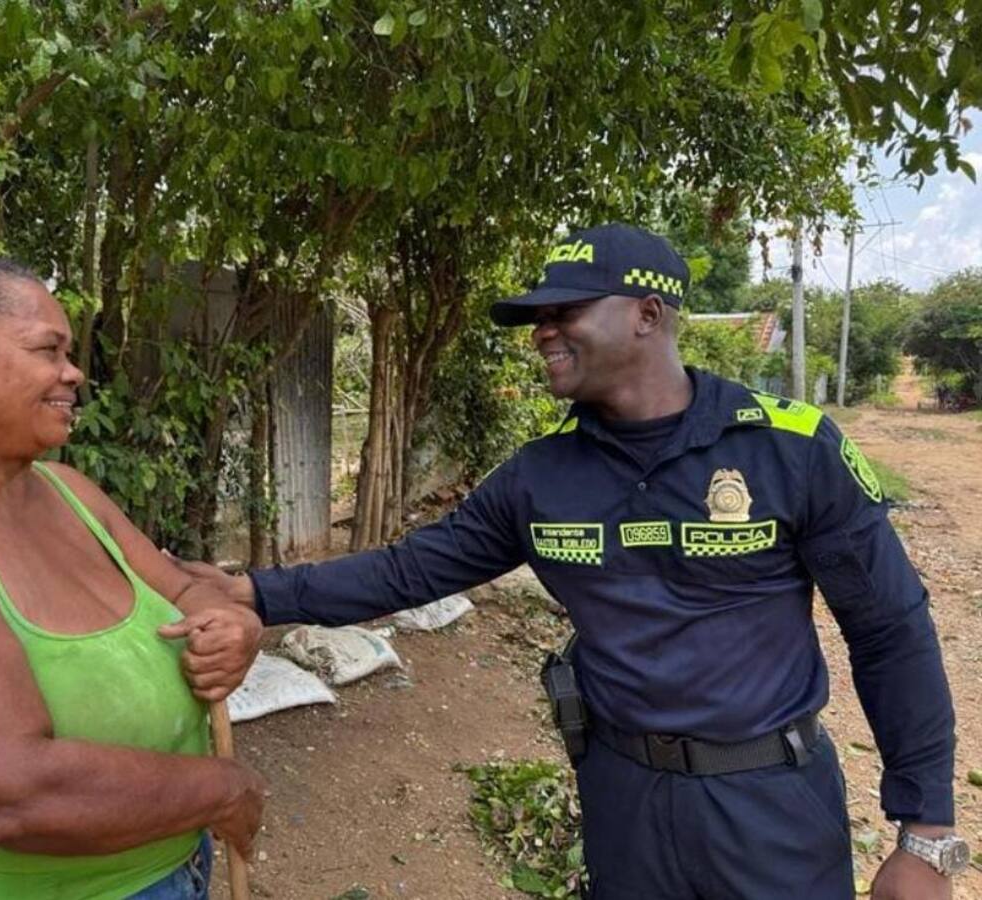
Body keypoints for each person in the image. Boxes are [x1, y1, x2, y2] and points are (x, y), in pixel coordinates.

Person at [178, 224, 965, 899]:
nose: (542, 333)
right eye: (537, 317)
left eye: (566, 313)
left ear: (647, 316)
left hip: (770, 802)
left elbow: (890, 630)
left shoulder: (790, 449)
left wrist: (924, 832)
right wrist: (253, 589)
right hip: (623, 800)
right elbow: (409, 571)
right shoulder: (539, 478)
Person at [0, 225, 267, 900]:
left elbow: (185, 587)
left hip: (170, 873)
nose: (74, 372)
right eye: (48, 350)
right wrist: (218, 789)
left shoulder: (69, 492)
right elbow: (4, 794)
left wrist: (229, 625)